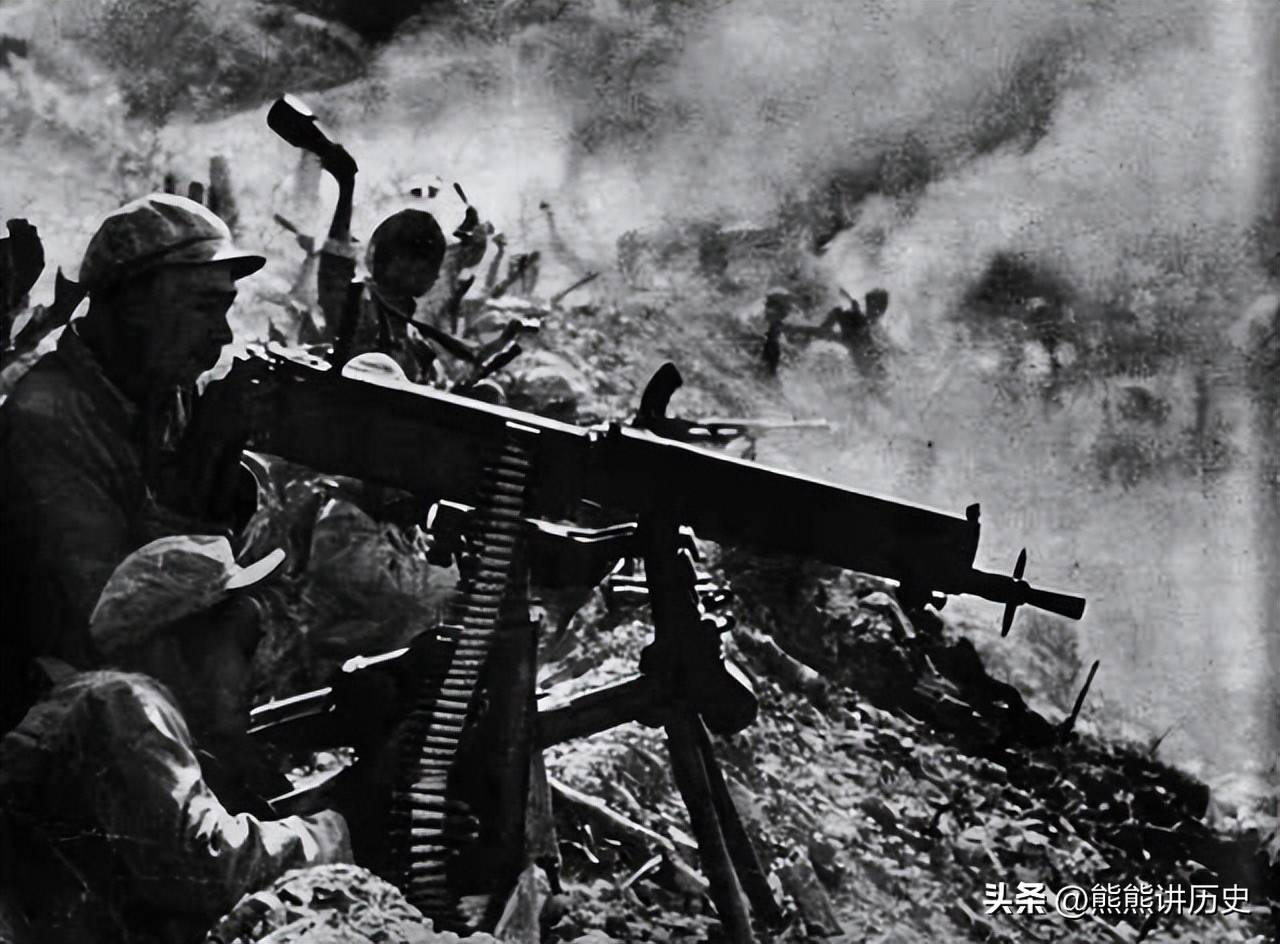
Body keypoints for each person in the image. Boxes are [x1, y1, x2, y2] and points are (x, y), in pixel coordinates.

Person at [0, 535, 352, 944]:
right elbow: (208, 864)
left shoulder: (111, 707)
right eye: (243, 644)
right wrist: (336, 831)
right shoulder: (123, 699)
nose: (252, 673)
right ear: (170, 647)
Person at [0, 193, 265, 730]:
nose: (223, 334)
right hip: (53, 702)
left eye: (226, 309)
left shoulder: (164, 392)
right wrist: (201, 470)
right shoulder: (46, 417)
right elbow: (107, 622)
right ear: (132, 304)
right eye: (203, 307)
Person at [318, 208, 452, 383]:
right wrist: (346, 196)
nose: (436, 275)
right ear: (407, 263)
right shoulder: (359, 305)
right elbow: (334, 264)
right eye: (431, 263)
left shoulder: (413, 336)